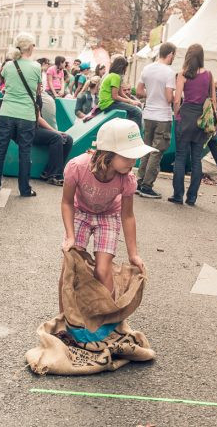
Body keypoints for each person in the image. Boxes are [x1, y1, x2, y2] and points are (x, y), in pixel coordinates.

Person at [59, 118, 156, 311]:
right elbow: (67, 203)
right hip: (80, 213)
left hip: (108, 217)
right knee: (70, 268)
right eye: (128, 156)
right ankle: (65, 318)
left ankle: (106, 320)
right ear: (108, 154)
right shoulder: (76, 167)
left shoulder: (127, 179)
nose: (133, 161)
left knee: (103, 271)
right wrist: (70, 236)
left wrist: (133, 254)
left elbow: (127, 216)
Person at [0, 32, 41, 197]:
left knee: (0, 149)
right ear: (29, 47)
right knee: (25, 152)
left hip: (7, 113)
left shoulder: (9, 66)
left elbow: (4, 83)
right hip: (26, 115)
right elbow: (38, 91)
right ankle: (24, 189)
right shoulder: (36, 67)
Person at [169, 44, 216, 206]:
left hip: (186, 116)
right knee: (196, 159)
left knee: (180, 156)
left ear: (188, 56)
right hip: (201, 120)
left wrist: (177, 115)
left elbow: (176, 100)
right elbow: (213, 101)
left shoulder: (183, 75)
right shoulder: (209, 75)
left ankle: (178, 195)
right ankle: (192, 197)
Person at [135, 42, 176, 199]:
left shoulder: (147, 68)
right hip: (162, 116)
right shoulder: (169, 72)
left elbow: (139, 91)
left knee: (146, 148)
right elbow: (168, 97)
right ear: (170, 54)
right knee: (157, 151)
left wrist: (151, 94)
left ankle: (139, 181)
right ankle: (147, 186)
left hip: (148, 114)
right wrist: (177, 95)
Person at [34, 99, 73, 186]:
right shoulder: (30, 95)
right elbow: (38, 118)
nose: (40, 86)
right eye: (39, 84)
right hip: (29, 129)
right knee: (56, 137)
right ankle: (54, 176)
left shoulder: (38, 96)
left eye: (41, 84)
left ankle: (48, 172)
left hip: (38, 128)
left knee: (68, 139)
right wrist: (55, 131)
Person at [98, 55, 143, 130]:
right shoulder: (115, 77)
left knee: (134, 108)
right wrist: (130, 101)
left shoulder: (113, 76)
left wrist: (131, 101)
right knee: (137, 112)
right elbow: (115, 96)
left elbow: (121, 93)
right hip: (109, 104)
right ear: (122, 67)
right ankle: (135, 134)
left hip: (107, 103)